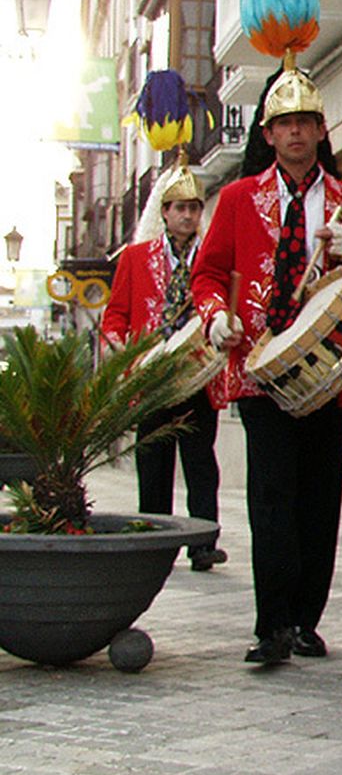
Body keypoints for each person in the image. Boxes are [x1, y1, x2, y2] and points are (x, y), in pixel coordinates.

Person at [192, 61, 342, 666]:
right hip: (260, 370)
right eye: (284, 123)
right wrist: (217, 316)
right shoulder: (240, 199)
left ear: (322, 130)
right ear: (267, 134)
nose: (295, 133)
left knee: (320, 499)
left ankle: (305, 620)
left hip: (328, 371)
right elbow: (208, 272)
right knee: (270, 497)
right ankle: (272, 626)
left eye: (305, 122)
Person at [102, 160, 227, 571]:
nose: (188, 215)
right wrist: (120, 346)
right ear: (165, 212)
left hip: (198, 377)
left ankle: (204, 542)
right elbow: (115, 315)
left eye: (194, 207)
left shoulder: (211, 256)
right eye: (180, 208)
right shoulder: (136, 258)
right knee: (153, 463)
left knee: (200, 463)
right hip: (153, 379)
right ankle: (154, 540)